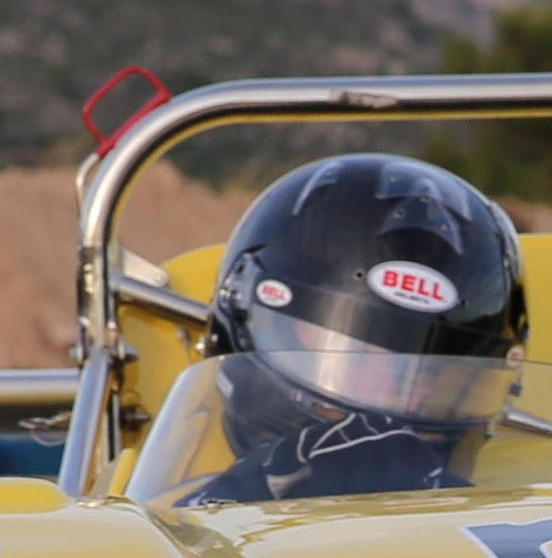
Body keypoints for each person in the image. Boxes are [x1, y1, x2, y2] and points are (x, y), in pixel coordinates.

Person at [183, 154, 527, 502]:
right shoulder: (161, 527)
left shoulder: (505, 509)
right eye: (359, 357)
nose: (392, 396)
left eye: (430, 376)